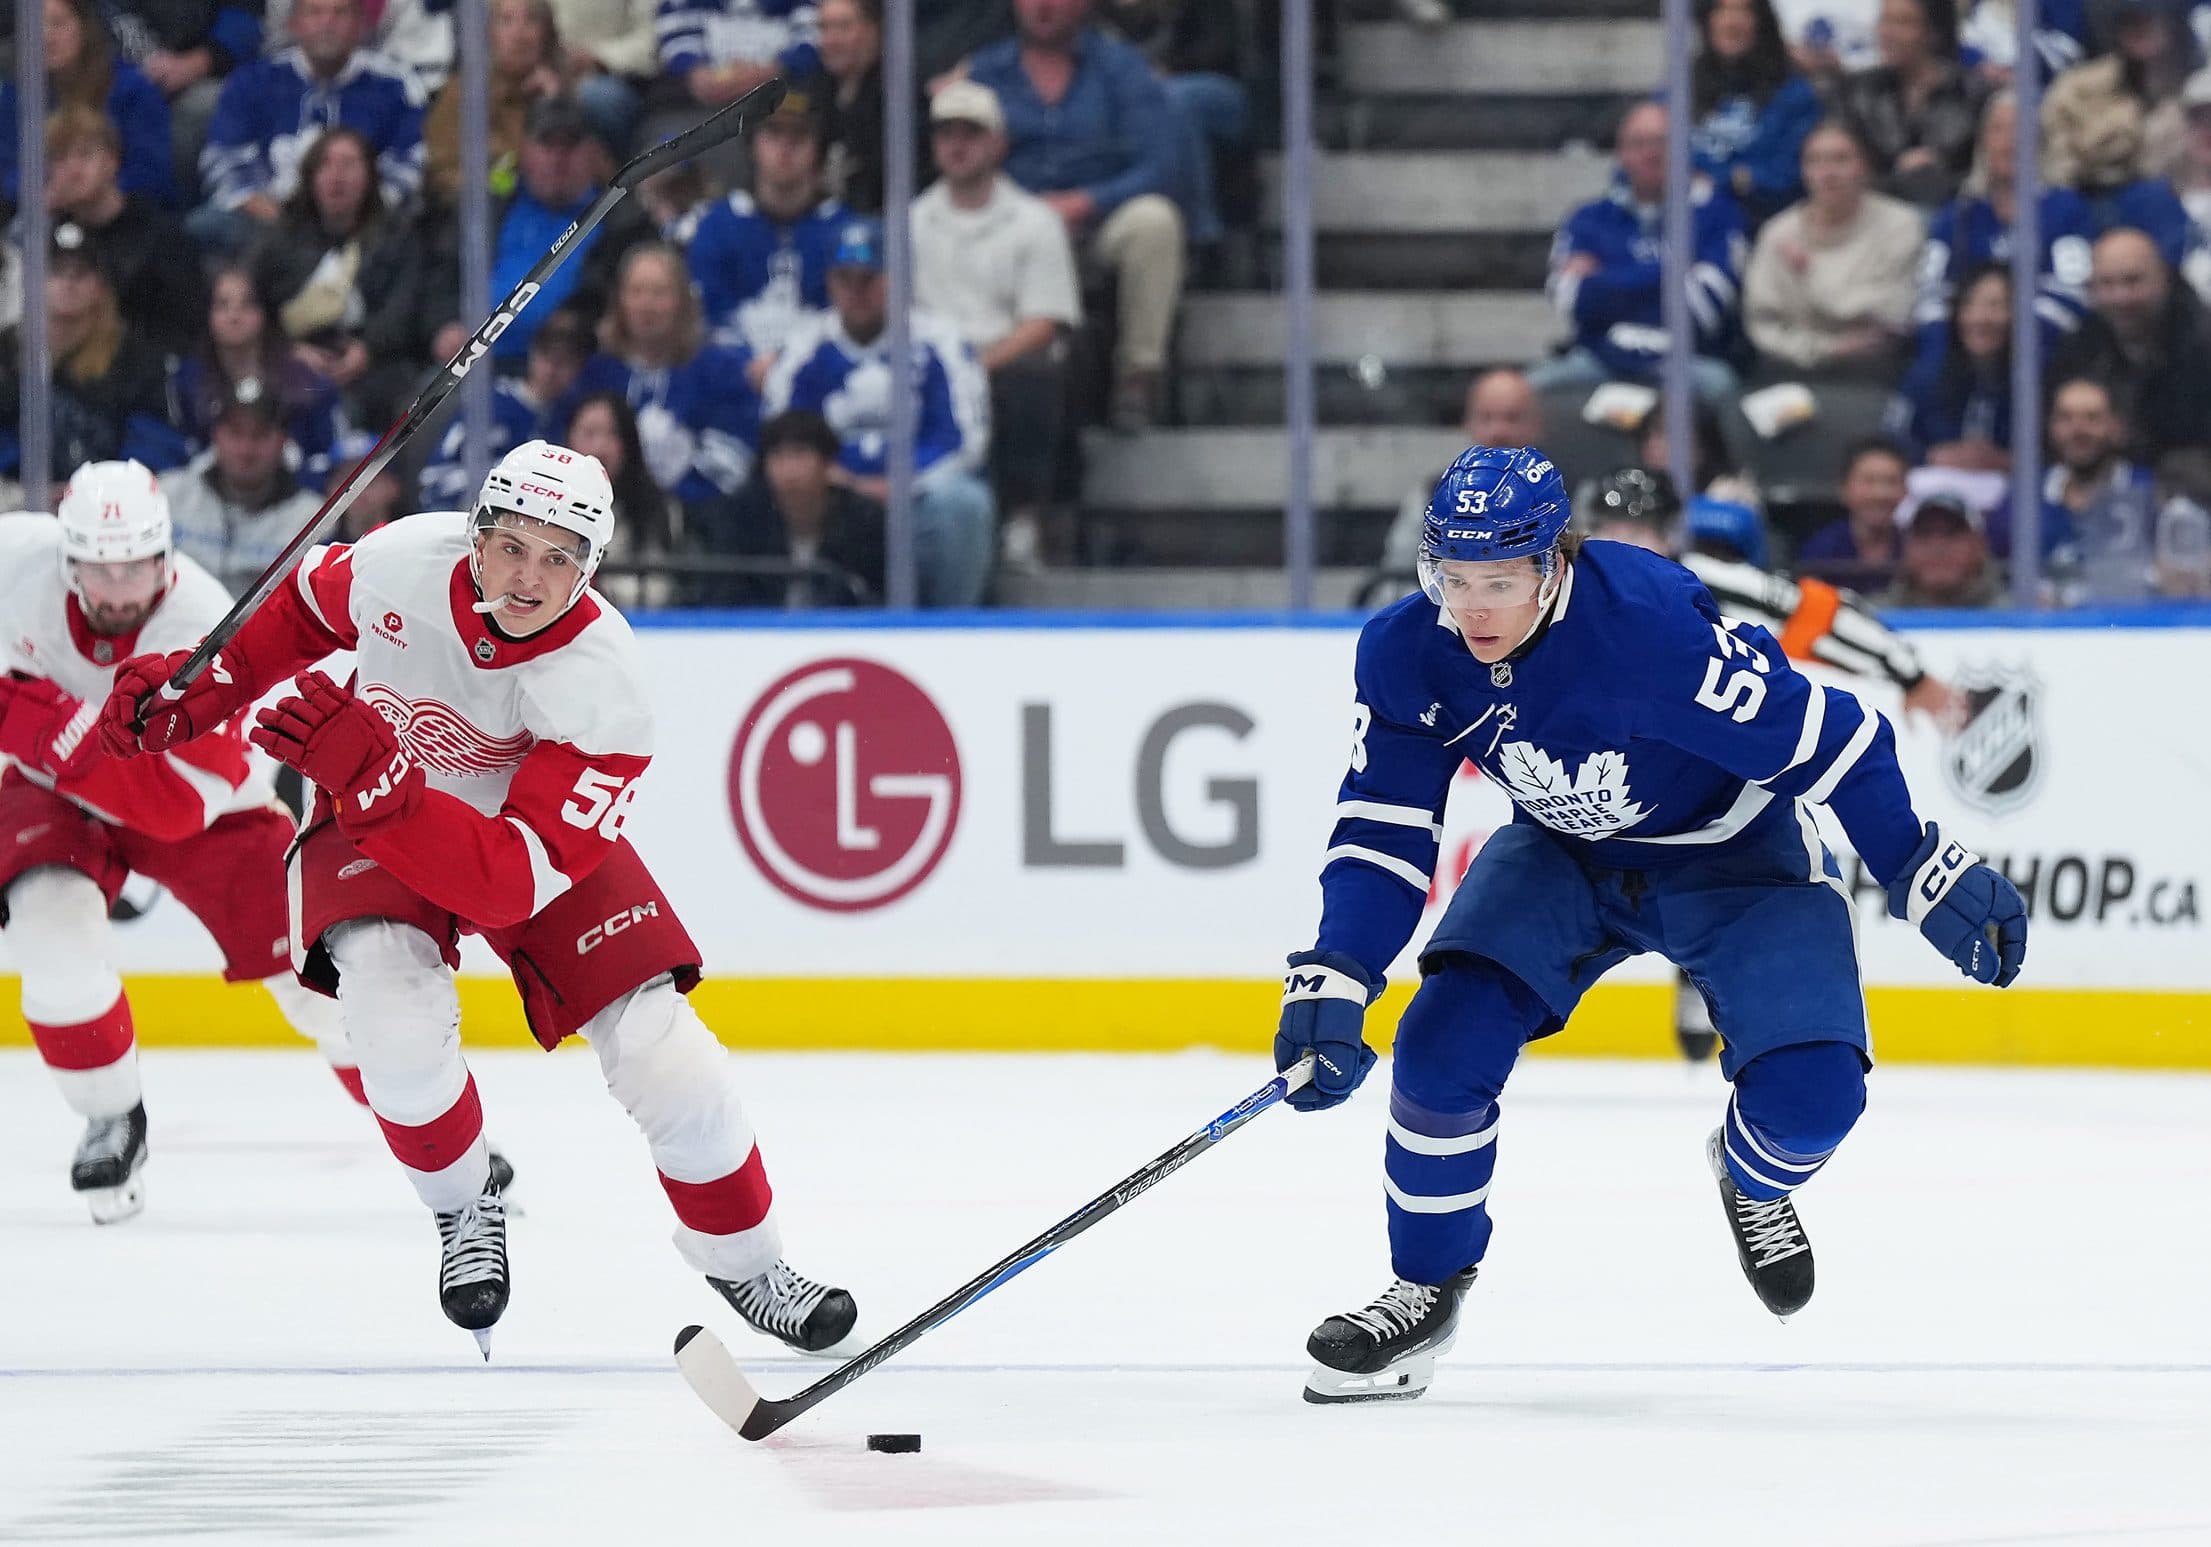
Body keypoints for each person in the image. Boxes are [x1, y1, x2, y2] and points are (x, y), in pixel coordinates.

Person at [1276, 444, 2027, 1405]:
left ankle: (1752, 1181)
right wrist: (1338, 967)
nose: (1470, 609)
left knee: (1813, 1100)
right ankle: (1424, 1289)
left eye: (1498, 581)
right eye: (1450, 579)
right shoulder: (1405, 649)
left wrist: (1916, 864)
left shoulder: (1652, 635)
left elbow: (1832, 740)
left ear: (1554, 563)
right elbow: (1382, 823)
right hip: (1562, 853)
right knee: (1436, 1048)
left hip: (1733, 855)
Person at [95, 439, 860, 1357]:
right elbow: (299, 610)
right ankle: (464, 1209)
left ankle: (748, 1260)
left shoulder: (607, 687)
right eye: (513, 546)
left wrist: (381, 784)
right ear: (476, 535)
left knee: (669, 1055)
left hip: (506, 837)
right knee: (391, 1021)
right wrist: (202, 687)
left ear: (592, 567)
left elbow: (503, 883)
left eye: (560, 557)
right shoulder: (397, 560)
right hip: (376, 806)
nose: (530, 577)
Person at [0, 463, 354, 1222]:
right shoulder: (14, 558)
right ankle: (110, 1114)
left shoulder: (203, 620)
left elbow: (176, 808)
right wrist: (53, 740)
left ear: (166, 555)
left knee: (318, 971)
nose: (121, 585)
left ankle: (435, 1131)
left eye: (137, 564)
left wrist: (41, 721)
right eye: (101, 565)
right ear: (69, 559)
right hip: (54, 792)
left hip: (201, 805)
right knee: (49, 934)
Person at [1580, 464, 1964, 1061]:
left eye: (1640, 530)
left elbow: (1818, 614)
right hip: (1611, 791)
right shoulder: (1554, 597)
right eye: (1607, 528)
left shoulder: (1703, 582)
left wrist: (1906, 670)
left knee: (1757, 868)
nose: (1623, 544)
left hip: (1717, 789)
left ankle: (1741, 995)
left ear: (1671, 532)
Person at [969, 0, 1188, 429]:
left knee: (1155, 222)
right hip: (1013, 228)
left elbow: (1162, 163)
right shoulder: (986, 73)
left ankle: (1138, 378)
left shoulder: (1120, 68)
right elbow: (965, 159)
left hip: (1096, 223)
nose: (1044, 6)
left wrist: (1087, 201)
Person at [767, 216, 996, 607]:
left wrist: (900, 486)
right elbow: (784, 434)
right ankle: (804, 622)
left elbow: (965, 439)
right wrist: (843, 482)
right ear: (830, 282)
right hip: (832, 500)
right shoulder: (805, 347)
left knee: (964, 503)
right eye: (845, 279)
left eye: (870, 279)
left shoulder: (939, 341)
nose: (857, 292)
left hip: (917, 501)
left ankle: (951, 629)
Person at [913, 80, 1083, 572]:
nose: (957, 145)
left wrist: (975, 365)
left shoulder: (1035, 222)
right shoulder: (909, 222)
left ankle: (1022, 522)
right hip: (931, 366)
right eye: (947, 134)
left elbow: (1044, 322)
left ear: (998, 143)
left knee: (1033, 378)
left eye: (971, 133)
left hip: (1005, 361)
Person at [1532, 99, 1748, 399]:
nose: (1652, 153)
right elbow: (1569, 297)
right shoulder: (1587, 218)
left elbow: (1704, 308)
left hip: (1690, 362)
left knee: (1722, 387)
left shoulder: (1717, 214)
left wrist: (1605, 279)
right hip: (1599, 358)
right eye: (1639, 143)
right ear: (1621, 154)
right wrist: (1674, 276)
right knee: (1527, 391)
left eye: (1663, 142)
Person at [195, 0, 427, 255]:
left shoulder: (395, 85)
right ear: (294, 24)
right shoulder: (252, 81)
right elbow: (224, 159)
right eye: (315, 12)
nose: (327, 24)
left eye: (340, 13)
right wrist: (273, 214)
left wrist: (359, 211)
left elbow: (408, 163)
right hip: (268, 220)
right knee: (206, 226)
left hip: (366, 222)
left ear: (360, 24)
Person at [250, 126, 430, 430]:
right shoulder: (280, 239)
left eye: (348, 164)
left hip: (378, 364)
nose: (337, 176)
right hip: (295, 358)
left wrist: (368, 350)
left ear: (370, 176)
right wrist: (289, 350)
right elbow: (254, 303)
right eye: (326, 164)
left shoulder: (397, 237)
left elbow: (404, 306)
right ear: (310, 177)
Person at [564, 243, 765, 509]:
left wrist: (673, 492)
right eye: (637, 292)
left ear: (682, 301)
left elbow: (734, 454)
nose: (647, 305)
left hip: (697, 520)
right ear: (620, 300)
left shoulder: (718, 370)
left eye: (659, 293)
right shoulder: (598, 372)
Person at [0, 229, 187, 484]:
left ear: (101, 286)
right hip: (19, 496)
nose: (68, 283)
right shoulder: (7, 351)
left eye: (80, 273)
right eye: (56, 271)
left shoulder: (135, 359)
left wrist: (101, 487)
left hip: (112, 500)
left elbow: (156, 444)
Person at [682, 88, 852, 368]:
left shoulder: (842, 228)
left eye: (799, 136)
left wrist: (792, 364)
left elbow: (848, 318)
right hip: (734, 376)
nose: (785, 148)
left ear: (818, 150)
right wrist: (747, 363)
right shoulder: (717, 224)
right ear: (753, 145)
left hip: (818, 376)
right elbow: (708, 315)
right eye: (773, 134)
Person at [1743, 118, 1925, 376]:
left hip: (1876, 372)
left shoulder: (1900, 225)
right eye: (1814, 161)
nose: (1827, 173)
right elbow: (1762, 322)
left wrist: (1809, 274)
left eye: (1840, 160)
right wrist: (1824, 349)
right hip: (1792, 369)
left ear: (1864, 166)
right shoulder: (1778, 234)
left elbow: (1895, 309)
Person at [41, 106, 205, 359]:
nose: (73, 171)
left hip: (142, 373)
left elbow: (185, 325)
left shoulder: (158, 234)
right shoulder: (50, 235)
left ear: (111, 162)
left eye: (85, 155)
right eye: (60, 159)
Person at [170, 265, 345, 493]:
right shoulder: (188, 378)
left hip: (293, 499)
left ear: (264, 312)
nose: (234, 316)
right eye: (223, 305)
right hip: (210, 495)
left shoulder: (304, 380)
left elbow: (327, 453)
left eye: (247, 305)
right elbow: (185, 447)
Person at [693, 408, 887, 606]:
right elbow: (724, 595)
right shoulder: (739, 519)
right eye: (778, 456)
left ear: (827, 463)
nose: (789, 470)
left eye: (800, 454)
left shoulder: (864, 522)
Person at [2050, 226, 2211, 464]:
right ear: (2091, 288)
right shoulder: (2079, 347)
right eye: (2107, 284)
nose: (2121, 297)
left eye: (2133, 281)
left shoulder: (2202, 344)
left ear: (2163, 278)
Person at [0, 0, 176, 208]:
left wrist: (90, 191)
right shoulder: (18, 96)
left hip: (127, 216)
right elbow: (8, 169)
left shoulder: (132, 88)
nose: (46, 36)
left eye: (58, 23)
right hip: (48, 211)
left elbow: (151, 171)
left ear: (85, 27)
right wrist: (40, 193)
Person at [158, 381, 327, 595]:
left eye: (260, 435)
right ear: (215, 435)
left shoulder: (312, 517)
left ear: (283, 441)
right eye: (235, 433)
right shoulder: (168, 494)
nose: (246, 449)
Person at [419, 308, 594, 506]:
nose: (552, 370)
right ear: (533, 353)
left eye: (564, 362)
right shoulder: (490, 403)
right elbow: (437, 476)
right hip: (463, 514)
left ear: (578, 367)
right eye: (547, 356)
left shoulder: (569, 416)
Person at [1380, 369, 1543, 575]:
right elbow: (1396, 580)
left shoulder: (1570, 493)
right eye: (1486, 418)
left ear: (1536, 424)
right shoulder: (1433, 495)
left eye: (1512, 418)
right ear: (1469, 424)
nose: (1498, 431)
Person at [1835, 0, 1985, 206]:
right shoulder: (1859, 92)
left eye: (1903, 23)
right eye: (1885, 21)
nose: (1889, 33)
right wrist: (1897, 176)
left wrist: (1936, 170)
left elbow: (1982, 174)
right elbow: (1845, 163)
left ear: (1932, 32)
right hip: (1875, 210)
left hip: (1953, 210)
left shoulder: (1971, 94)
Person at [422, 0, 568, 206]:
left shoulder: (568, 93)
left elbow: (589, 178)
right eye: (506, 21)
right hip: (486, 220)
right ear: (489, 33)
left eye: (532, 20)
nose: (520, 35)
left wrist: (554, 106)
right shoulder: (463, 93)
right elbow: (443, 174)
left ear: (547, 33)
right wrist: (504, 187)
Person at [1691, 0, 1825, 223]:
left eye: (1743, 11)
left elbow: (1789, 177)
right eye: (1721, 10)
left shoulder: (1795, 95)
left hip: (1766, 229)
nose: (1731, 22)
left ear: (1762, 21)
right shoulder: (1682, 89)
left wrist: (1721, 179)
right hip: (1689, 230)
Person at [561, 390, 688, 608]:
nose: (600, 448)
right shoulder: (546, 505)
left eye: (613, 434)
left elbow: (657, 590)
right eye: (589, 433)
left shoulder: (656, 508)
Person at [2042, 374, 2159, 599]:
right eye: (2066, 418)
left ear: (2116, 426)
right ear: (2051, 427)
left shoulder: (2150, 495)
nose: (2078, 430)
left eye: (2092, 418)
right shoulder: (2021, 500)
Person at [1890, 262, 2014, 469]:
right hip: (1936, 487)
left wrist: (2006, 461)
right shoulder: (1927, 375)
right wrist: (1930, 456)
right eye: (1969, 305)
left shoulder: (2039, 381)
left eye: (1996, 306)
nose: (1980, 318)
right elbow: (1893, 437)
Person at [1876, 472, 2007, 606]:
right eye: (1924, 534)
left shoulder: (2018, 614)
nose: (1937, 547)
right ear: (1906, 547)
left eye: (1952, 533)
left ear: (1979, 545)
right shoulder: (1870, 618)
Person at [1797, 433, 1912, 580]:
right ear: (1843, 489)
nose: (1880, 493)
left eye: (1891, 481)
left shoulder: (1916, 550)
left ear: (1906, 490)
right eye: (1869, 481)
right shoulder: (1819, 552)